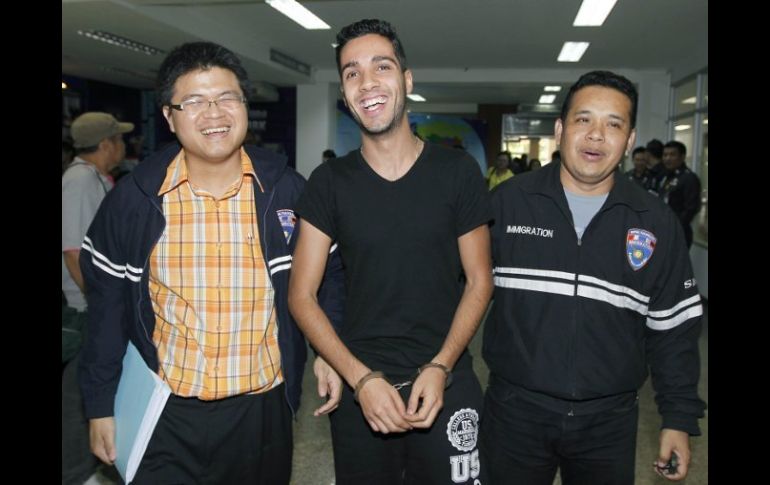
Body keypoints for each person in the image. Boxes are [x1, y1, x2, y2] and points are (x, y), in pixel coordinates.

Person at [78, 41, 343, 483]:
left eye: (226, 98)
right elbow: (106, 312)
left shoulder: (287, 192)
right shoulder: (135, 201)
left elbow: (330, 276)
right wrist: (101, 405)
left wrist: (329, 352)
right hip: (164, 413)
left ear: (243, 103)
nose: (214, 114)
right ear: (169, 115)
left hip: (262, 414)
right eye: (195, 101)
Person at [288, 18, 493, 485]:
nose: (367, 83)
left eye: (381, 66)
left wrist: (440, 366)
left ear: (406, 80)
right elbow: (302, 295)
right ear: (344, 91)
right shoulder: (329, 183)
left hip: (447, 379)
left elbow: (480, 281)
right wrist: (360, 378)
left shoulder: (457, 171)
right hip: (364, 382)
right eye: (352, 72)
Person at [481, 70, 706, 484]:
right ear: (561, 128)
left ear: (630, 140)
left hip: (609, 424)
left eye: (613, 124)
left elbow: (673, 330)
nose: (597, 135)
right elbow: (454, 292)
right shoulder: (508, 205)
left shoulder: (655, 222)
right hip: (513, 415)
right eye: (584, 120)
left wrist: (677, 418)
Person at [62, 111, 133, 485]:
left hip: (100, 305)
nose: (124, 146)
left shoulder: (93, 179)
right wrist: (100, 303)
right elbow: (73, 250)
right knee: (80, 394)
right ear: (106, 144)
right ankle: (76, 472)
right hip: (89, 307)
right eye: (119, 139)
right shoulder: (78, 181)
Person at [659, 140, 702, 248]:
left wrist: (675, 227)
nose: (667, 158)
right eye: (665, 155)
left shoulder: (688, 178)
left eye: (672, 155)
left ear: (682, 157)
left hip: (679, 232)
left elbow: (691, 208)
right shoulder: (666, 177)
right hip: (663, 230)